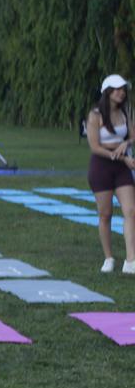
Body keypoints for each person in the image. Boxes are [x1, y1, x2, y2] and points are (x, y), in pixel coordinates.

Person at [84, 73, 135, 273]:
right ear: (108, 92)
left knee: (131, 211)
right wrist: (121, 155)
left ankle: (131, 260)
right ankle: (109, 258)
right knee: (105, 214)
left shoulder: (125, 112)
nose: (121, 93)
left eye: (123, 89)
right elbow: (95, 147)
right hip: (101, 168)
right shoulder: (95, 115)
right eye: (117, 89)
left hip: (121, 170)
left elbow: (133, 135)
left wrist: (126, 143)